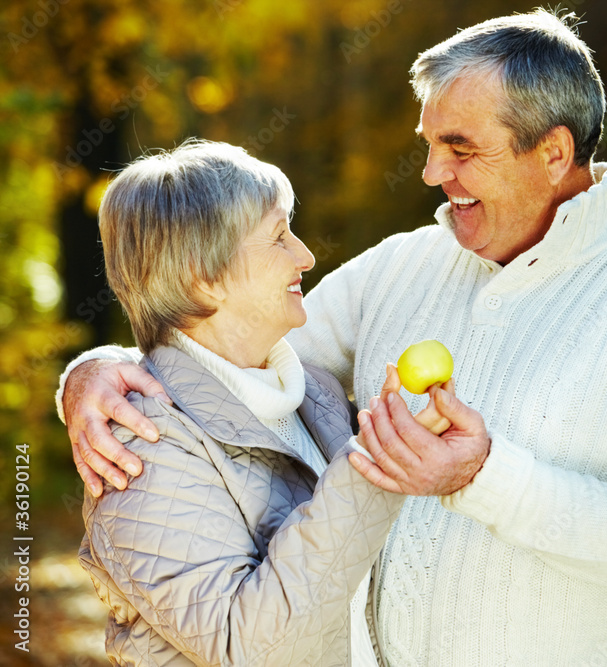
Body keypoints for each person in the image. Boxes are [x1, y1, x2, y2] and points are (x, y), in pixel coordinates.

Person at [60, 10, 607, 665]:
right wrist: (98, 368)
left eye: (461, 148)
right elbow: (229, 349)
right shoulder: (401, 266)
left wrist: (484, 475)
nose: (431, 173)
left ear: (552, 151)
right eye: (430, 144)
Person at [74, 139, 461, 666]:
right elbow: (252, 648)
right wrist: (375, 465)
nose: (305, 255)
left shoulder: (315, 393)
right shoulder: (145, 445)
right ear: (202, 276)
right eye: (279, 237)